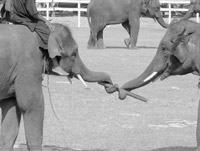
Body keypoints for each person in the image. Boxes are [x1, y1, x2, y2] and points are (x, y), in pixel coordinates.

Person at [2, 0, 68, 75]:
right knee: (49, 33)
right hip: (24, 19)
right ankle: (55, 65)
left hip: (13, 17)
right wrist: (46, 21)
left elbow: (6, 7)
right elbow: (33, 13)